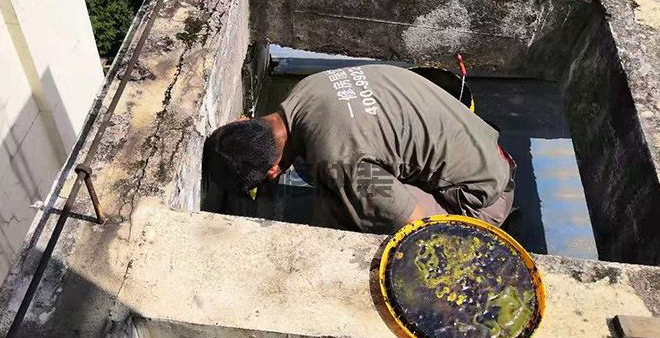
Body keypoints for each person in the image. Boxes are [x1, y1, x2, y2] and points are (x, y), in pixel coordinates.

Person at [202, 64, 515, 234]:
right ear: (247, 121)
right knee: (331, 177)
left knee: (344, 208)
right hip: (483, 149)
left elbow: (415, 224)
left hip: (480, 199)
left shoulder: (342, 162)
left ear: (272, 172)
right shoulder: (309, 88)